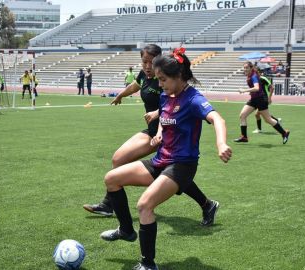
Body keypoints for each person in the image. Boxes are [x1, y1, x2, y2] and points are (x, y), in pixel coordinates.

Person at [99, 48, 232, 270]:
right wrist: (160, 131)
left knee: (144, 205)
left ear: (179, 76)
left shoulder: (194, 99)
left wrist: (221, 143)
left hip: (181, 165)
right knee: (112, 178)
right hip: (161, 160)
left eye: (163, 79)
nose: (159, 84)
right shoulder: (166, 95)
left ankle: (148, 264)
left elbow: (217, 119)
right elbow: (165, 113)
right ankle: (126, 230)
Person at [83, 44, 220, 227]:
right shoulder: (146, 75)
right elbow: (136, 87)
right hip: (154, 130)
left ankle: (110, 205)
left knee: (173, 172)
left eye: (151, 62)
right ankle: (207, 204)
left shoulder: (167, 79)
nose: (147, 67)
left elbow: (177, 103)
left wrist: (158, 115)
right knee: (120, 160)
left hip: (166, 134)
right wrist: (121, 95)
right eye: (144, 61)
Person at [234, 61, 290, 144]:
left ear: (251, 68)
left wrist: (244, 90)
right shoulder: (249, 76)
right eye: (244, 67)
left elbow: (256, 88)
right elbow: (256, 89)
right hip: (254, 99)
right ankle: (244, 137)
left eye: (247, 67)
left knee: (268, 120)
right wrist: (251, 92)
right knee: (242, 115)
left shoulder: (253, 76)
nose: (245, 69)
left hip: (261, 99)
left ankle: (284, 133)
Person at [252, 68, 282, 134]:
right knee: (258, 114)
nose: (255, 74)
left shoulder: (263, 78)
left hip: (264, 98)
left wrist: (269, 97)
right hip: (259, 99)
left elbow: (272, 87)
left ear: (260, 72)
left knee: (259, 115)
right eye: (255, 72)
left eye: (257, 72)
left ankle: (277, 125)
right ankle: (277, 121)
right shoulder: (255, 79)